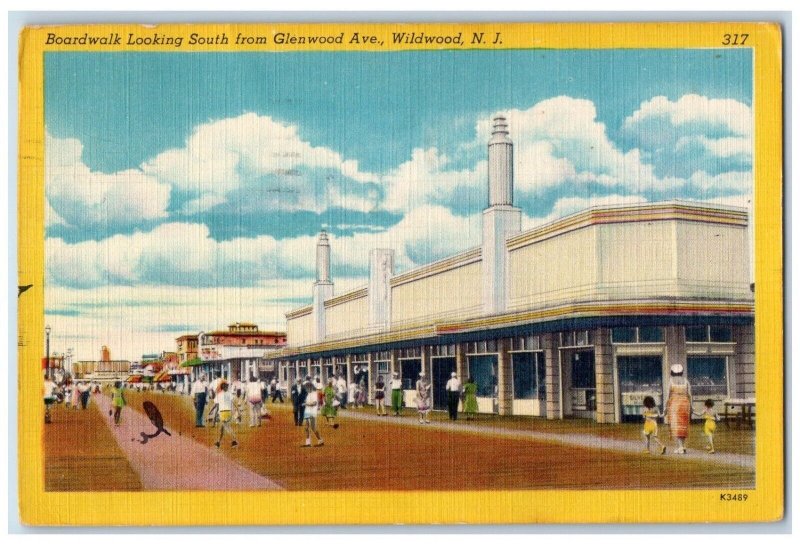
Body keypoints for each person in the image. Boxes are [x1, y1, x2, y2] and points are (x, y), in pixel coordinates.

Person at [665, 364, 692, 454]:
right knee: (683, 426)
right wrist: (691, 406)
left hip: (675, 405)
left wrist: (666, 407)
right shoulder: (686, 381)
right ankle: (682, 446)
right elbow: (689, 395)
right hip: (685, 404)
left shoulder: (671, 381)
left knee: (676, 426)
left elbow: (668, 395)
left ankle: (680, 447)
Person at [214, 381, 238, 449]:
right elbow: (233, 402)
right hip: (228, 412)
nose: (228, 387)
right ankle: (218, 442)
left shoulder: (219, 395)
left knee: (227, 427)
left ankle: (234, 441)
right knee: (221, 429)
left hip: (222, 413)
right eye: (227, 386)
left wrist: (211, 412)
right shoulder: (229, 394)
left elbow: (216, 405)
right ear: (224, 387)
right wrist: (237, 410)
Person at [301, 379, 324, 447]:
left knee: (313, 428)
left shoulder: (314, 394)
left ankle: (320, 440)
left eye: (306, 388)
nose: (305, 389)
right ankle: (308, 443)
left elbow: (314, 403)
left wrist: (306, 404)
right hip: (308, 411)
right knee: (306, 428)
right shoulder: (309, 394)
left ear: (310, 387)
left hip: (312, 412)